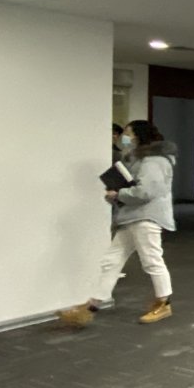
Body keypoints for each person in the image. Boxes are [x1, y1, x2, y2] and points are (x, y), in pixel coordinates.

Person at [58, 120, 177, 328]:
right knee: (111, 261)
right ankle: (92, 305)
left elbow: (146, 191)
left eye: (128, 133)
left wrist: (118, 193)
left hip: (146, 217)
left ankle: (164, 303)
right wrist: (118, 195)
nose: (124, 137)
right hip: (131, 216)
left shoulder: (154, 161)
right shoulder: (139, 159)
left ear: (138, 135)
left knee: (151, 260)